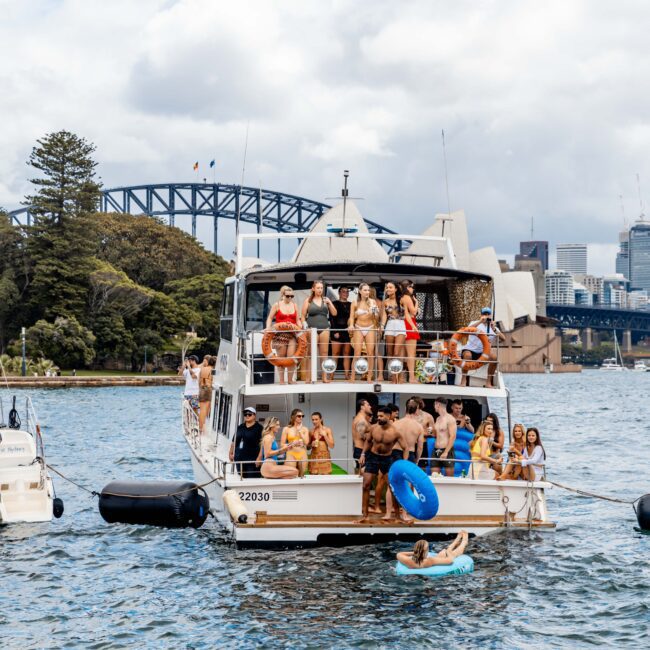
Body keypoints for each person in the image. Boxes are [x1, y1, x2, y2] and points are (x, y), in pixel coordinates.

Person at [357, 407, 408, 523]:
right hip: (373, 457)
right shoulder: (374, 428)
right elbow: (368, 441)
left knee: (393, 488)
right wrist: (363, 454)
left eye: (381, 416)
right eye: (378, 416)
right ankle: (365, 515)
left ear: (389, 416)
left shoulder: (396, 432)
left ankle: (397, 517)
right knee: (366, 485)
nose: (378, 418)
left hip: (388, 459)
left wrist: (404, 462)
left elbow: (405, 448)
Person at [384, 400, 425, 522]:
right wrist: (417, 459)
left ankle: (387, 513)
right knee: (408, 485)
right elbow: (420, 446)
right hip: (410, 454)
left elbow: (388, 442)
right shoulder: (418, 426)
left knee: (391, 484)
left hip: (395, 453)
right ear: (417, 410)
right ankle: (405, 514)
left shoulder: (396, 424)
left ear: (406, 408)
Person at [265, 286, 304, 385]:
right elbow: (270, 318)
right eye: (288, 296)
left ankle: (290, 380)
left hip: (292, 335)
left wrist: (300, 326)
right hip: (279, 335)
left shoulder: (295, 305)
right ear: (282, 295)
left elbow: (298, 320)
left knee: (291, 357)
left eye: (292, 296)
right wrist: (268, 328)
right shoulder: (276, 305)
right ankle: (282, 380)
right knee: (281, 357)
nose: (290, 298)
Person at [301, 280, 337, 383]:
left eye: (321, 288)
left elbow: (334, 313)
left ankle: (324, 377)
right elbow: (303, 316)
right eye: (318, 288)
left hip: (325, 328)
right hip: (312, 329)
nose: (320, 290)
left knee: (324, 353)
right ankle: (308, 377)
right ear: (313, 289)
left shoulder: (326, 300)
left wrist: (329, 303)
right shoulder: (308, 300)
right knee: (311, 353)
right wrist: (304, 325)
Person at [461, 307, 506, 388]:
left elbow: (503, 339)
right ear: (481, 315)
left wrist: (494, 329)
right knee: (467, 356)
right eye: (485, 314)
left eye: (488, 314)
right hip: (470, 350)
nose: (486, 316)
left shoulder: (493, 326)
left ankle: (488, 382)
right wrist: (480, 321)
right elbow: (465, 331)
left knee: (494, 357)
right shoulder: (475, 323)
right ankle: (463, 379)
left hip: (483, 352)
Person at [349, 283, 380, 382]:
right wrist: (351, 325)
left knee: (370, 353)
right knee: (357, 353)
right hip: (358, 326)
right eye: (365, 290)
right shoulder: (354, 302)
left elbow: (376, 317)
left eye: (368, 290)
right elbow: (351, 317)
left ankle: (369, 376)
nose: (367, 292)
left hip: (370, 326)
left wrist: (375, 312)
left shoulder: (372, 302)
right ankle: (353, 376)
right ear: (360, 291)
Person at [396, 531, 469, 568]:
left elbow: (399, 554)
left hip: (418, 564)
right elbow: (450, 561)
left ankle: (457, 540)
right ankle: (464, 542)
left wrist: (415, 553)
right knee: (448, 553)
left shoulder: (407, 561)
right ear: (426, 551)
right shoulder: (429, 561)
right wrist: (449, 551)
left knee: (442, 553)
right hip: (435, 565)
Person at [381, 282, 406, 383]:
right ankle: (393, 376)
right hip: (390, 325)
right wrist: (382, 326)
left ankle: (398, 375)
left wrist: (413, 326)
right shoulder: (385, 301)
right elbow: (384, 316)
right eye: (387, 287)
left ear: (396, 289)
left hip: (400, 324)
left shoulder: (402, 300)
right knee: (390, 353)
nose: (388, 289)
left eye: (390, 287)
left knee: (396, 352)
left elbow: (408, 313)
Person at [230, 407, 264, 478]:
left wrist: (259, 458)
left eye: (249, 414)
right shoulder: (240, 427)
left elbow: (263, 444)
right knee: (242, 479)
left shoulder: (259, 428)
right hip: (239, 459)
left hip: (252, 460)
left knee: (252, 480)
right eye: (245, 414)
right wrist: (231, 453)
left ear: (254, 415)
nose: (247, 416)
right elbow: (234, 441)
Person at [399, 280, 420, 383]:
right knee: (411, 354)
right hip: (410, 324)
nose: (413, 289)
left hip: (402, 324)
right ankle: (412, 377)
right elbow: (414, 312)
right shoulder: (407, 298)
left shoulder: (402, 298)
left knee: (402, 353)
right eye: (412, 287)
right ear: (407, 287)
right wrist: (417, 303)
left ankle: (401, 377)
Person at [431, 396, 457, 477]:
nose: (434, 407)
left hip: (447, 451)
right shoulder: (438, 419)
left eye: (434, 405)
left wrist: (446, 452)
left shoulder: (450, 419)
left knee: (449, 478)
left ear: (437, 404)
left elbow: (453, 436)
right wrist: (431, 432)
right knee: (434, 476)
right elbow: (436, 435)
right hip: (436, 450)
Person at [331, 286, 352, 380]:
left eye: (347, 291)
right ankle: (331, 374)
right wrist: (335, 331)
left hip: (347, 330)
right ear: (339, 293)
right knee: (335, 353)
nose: (346, 293)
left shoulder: (351, 304)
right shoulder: (334, 303)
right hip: (337, 330)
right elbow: (332, 318)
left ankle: (347, 375)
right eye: (343, 291)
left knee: (346, 353)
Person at [281, 409, 310, 477]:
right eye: (299, 416)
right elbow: (282, 444)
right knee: (291, 474)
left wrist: (300, 431)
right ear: (293, 417)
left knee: (302, 476)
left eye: (302, 416)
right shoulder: (286, 429)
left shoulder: (305, 429)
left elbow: (306, 442)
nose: (301, 417)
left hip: (302, 453)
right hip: (291, 454)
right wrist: (291, 443)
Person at [352, 399, 373, 475]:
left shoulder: (362, 419)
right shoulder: (361, 420)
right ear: (362, 407)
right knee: (364, 477)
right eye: (368, 405)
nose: (370, 407)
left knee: (364, 477)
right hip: (361, 451)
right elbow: (363, 436)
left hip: (361, 451)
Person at [198, 355, 216, 434]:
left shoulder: (202, 369)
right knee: (207, 409)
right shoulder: (212, 370)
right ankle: (204, 426)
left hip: (201, 389)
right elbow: (213, 381)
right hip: (208, 389)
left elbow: (199, 381)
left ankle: (200, 427)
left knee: (202, 410)